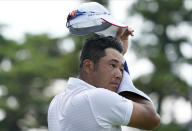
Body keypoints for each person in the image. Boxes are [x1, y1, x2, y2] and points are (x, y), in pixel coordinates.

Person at [48, 28, 160, 131]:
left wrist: (119, 57)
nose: (120, 75)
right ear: (88, 66)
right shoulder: (97, 97)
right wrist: (123, 67)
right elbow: (151, 118)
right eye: (112, 65)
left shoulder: (56, 102)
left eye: (121, 69)